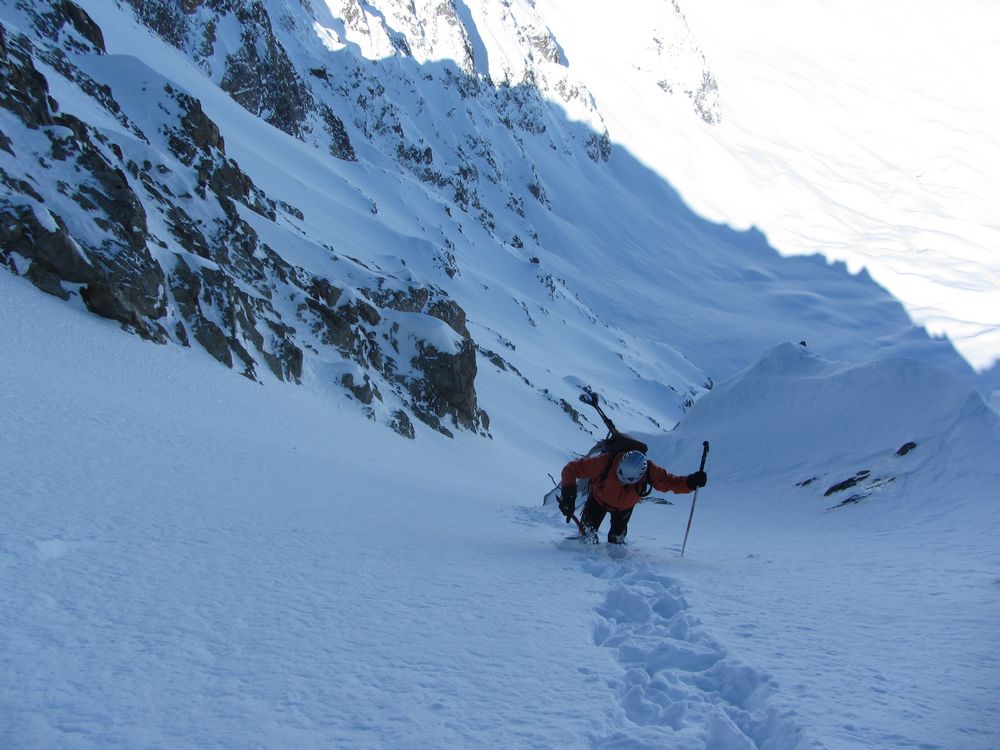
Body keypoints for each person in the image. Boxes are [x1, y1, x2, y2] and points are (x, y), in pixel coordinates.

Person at [559, 449, 707, 544]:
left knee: (616, 541)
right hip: (598, 500)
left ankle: (615, 557)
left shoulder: (650, 471)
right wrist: (568, 495)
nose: (622, 481)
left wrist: (691, 483)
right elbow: (571, 469)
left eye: (629, 481)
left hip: (624, 509)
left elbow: (670, 482)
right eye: (620, 475)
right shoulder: (606, 461)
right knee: (586, 535)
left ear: (640, 475)